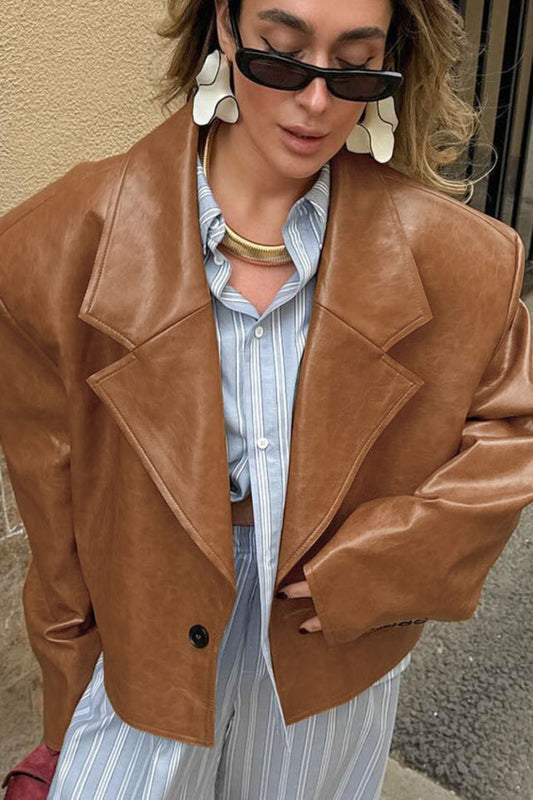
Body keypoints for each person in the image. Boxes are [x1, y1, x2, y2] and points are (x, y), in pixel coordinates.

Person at [1, 0, 533, 798]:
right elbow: (55, 513)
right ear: (224, 25)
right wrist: (69, 687)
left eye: (354, 65)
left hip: (331, 639)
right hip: (144, 630)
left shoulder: (463, 259)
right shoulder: (58, 245)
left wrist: (388, 566)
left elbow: (512, 429)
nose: (315, 102)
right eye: (280, 56)